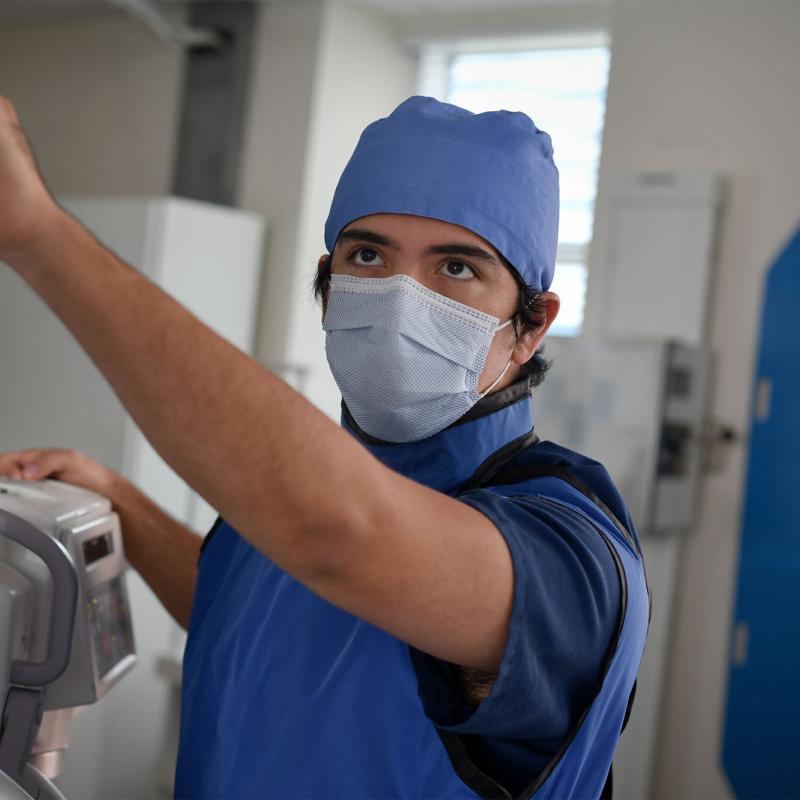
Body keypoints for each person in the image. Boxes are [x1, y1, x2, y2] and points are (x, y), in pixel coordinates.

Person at [0, 95, 649, 799]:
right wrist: (118, 501)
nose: (401, 298)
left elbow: (339, 538)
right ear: (329, 284)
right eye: (367, 255)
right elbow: (257, 608)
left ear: (531, 325)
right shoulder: (295, 504)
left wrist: (36, 234)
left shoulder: (570, 552)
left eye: (456, 268)